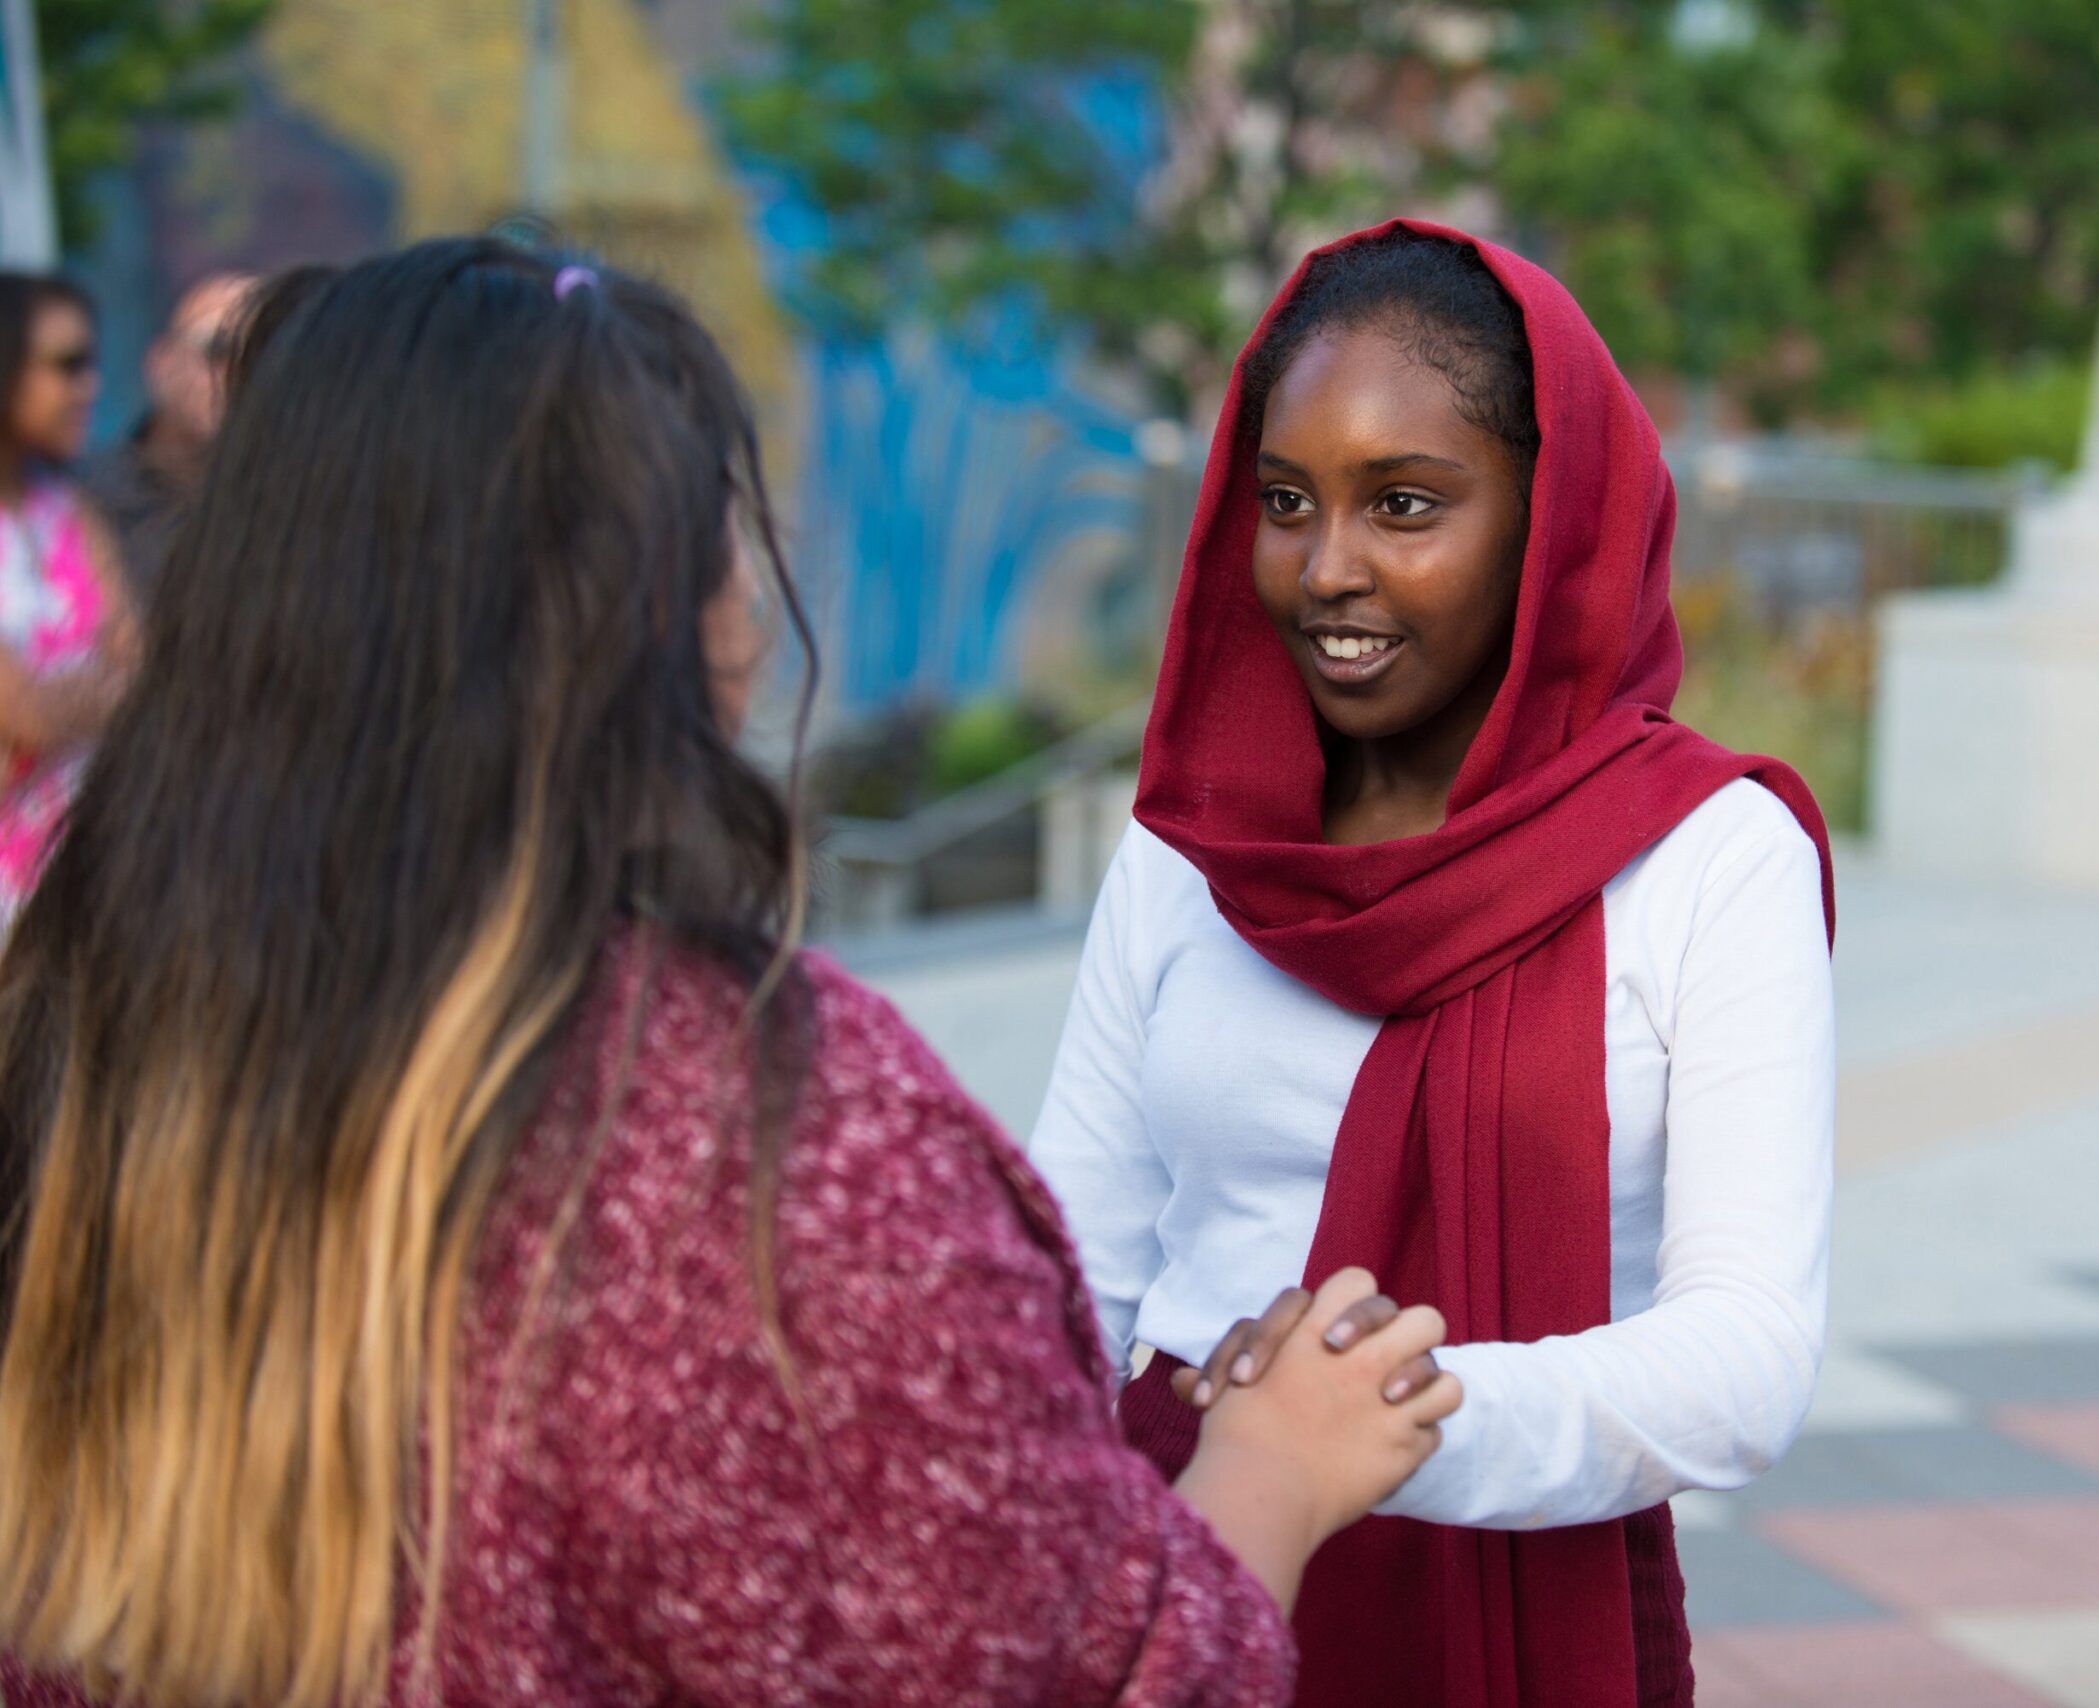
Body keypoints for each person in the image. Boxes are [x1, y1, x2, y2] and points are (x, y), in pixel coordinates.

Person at [0, 240, 1462, 1708]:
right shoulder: (770, 1140)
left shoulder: (86, 1032)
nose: (755, 614)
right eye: (723, 548)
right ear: (634, 619)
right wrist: (1270, 1471)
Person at [1028, 221, 1838, 1706]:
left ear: (1552, 521)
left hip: (1515, 1572)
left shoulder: (1711, 857)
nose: (1328, 569)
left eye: (1405, 505)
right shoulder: (1188, 848)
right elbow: (1072, 1266)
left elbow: (1749, 1352)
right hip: (1174, 1546)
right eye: (1286, 503)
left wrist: (1372, 1426)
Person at [0, 271, 129, 930]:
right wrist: (95, 693)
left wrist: (49, 710)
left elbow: (150, 673)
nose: (90, 388)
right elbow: (28, 714)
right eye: (66, 365)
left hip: (100, 874)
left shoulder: (73, 514)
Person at [84, 270, 256, 603]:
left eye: (258, 354)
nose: (237, 371)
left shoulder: (293, 498)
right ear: (161, 364)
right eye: (218, 348)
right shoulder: (84, 498)